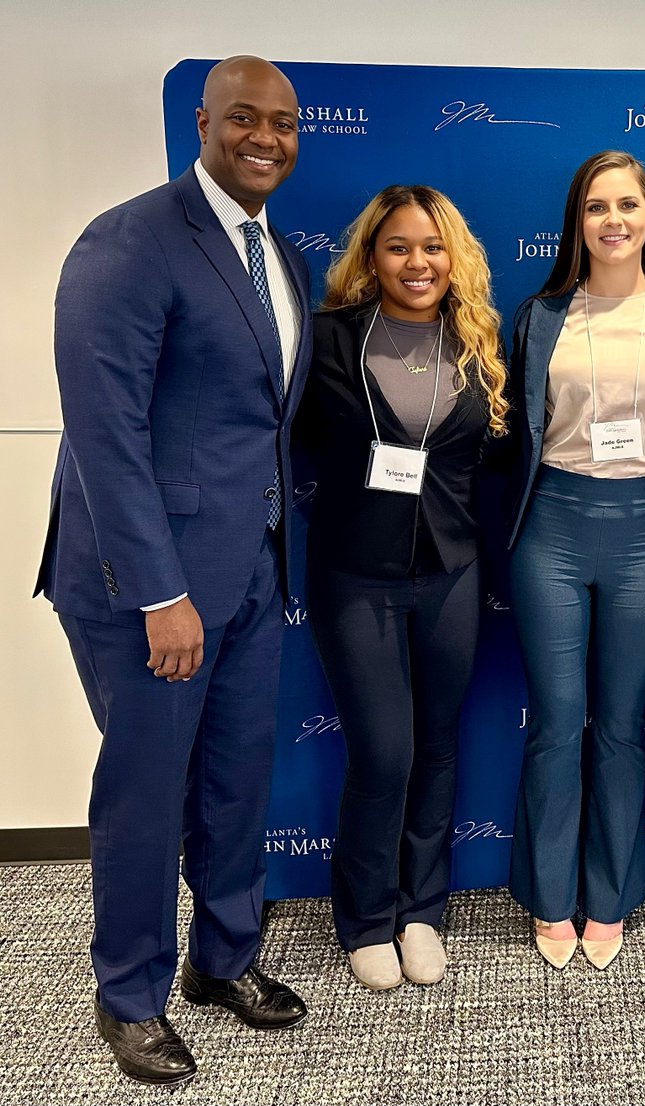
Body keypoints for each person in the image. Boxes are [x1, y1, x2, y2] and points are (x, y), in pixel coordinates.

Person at [34, 56, 311, 1086]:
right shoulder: (131, 240)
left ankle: (222, 960)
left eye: (284, 122)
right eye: (245, 117)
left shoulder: (275, 254)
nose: (266, 137)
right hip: (145, 588)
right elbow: (105, 435)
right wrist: (160, 592)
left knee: (236, 782)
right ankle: (130, 995)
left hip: (250, 574)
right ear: (203, 122)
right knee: (146, 794)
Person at [296, 185, 508, 991]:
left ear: (452, 258)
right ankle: (366, 917)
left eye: (431, 246)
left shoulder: (477, 343)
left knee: (438, 748)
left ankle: (423, 911)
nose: (416, 263)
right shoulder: (326, 342)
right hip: (355, 576)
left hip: (452, 574)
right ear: (371, 257)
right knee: (384, 755)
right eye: (398, 247)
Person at [506, 150, 645, 970]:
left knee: (620, 727)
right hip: (550, 530)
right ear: (577, 222)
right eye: (596, 206)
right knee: (556, 723)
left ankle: (612, 894)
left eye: (628, 205)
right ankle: (550, 895)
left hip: (644, 536)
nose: (613, 221)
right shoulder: (541, 314)